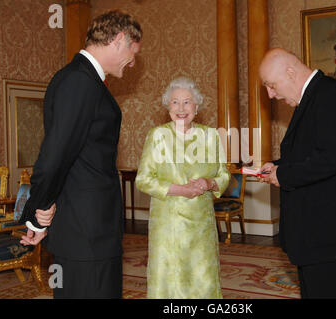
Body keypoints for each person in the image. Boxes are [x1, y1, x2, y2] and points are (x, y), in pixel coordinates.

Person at [19, 10, 142, 299]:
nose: (134, 62)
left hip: (88, 230)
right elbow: (54, 157)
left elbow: (70, 157)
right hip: (87, 234)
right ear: (119, 39)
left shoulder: (83, 79)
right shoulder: (79, 81)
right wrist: (36, 216)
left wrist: (42, 216)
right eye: (133, 53)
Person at [258, 48, 336, 299]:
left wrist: (285, 175)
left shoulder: (332, 97)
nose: (270, 94)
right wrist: (278, 166)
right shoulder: (314, 98)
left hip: (329, 234)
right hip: (315, 234)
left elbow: (333, 158)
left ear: (290, 72)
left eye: (271, 85)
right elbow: (312, 153)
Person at [135, 77, 230, 299]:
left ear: (197, 107)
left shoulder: (210, 136)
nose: (181, 108)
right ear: (168, 106)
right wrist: (180, 190)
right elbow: (144, 179)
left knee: (203, 281)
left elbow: (224, 174)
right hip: (168, 227)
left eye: (187, 102)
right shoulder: (157, 136)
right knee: (169, 284)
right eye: (175, 102)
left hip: (201, 227)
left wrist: (209, 183)